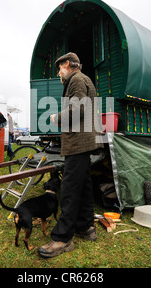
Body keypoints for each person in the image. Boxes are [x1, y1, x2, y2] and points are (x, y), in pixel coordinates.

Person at [38, 52, 102, 258]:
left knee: (69, 189)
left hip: (77, 142)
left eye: (59, 68)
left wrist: (57, 117)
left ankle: (62, 238)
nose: (59, 73)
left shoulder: (76, 80)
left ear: (67, 64)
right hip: (82, 142)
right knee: (83, 186)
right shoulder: (82, 80)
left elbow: (79, 109)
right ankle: (86, 227)